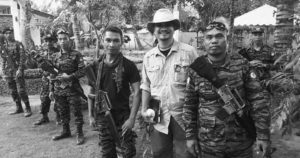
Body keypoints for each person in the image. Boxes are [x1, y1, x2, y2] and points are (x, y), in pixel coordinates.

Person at [184, 20, 271, 158]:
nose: (214, 41)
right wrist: (190, 136)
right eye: (209, 37)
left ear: (227, 38)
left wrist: (263, 135)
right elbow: (189, 106)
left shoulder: (243, 65)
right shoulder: (196, 69)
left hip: (241, 144)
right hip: (208, 145)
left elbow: (258, 102)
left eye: (219, 36)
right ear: (204, 41)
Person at [65, 26, 141, 157]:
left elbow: (137, 92)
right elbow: (91, 93)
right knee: (107, 153)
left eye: (116, 40)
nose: (112, 44)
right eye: (108, 40)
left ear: (121, 42)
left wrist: (132, 119)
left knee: (128, 152)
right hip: (103, 116)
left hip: (123, 117)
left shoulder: (129, 66)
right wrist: (90, 115)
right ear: (102, 41)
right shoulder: (95, 66)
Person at [140, 8, 198, 158]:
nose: (163, 28)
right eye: (159, 25)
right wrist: (144, 108)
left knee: (185, 154)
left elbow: (199, 83)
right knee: (160, 153)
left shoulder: (189, 52)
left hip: (183, 115)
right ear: (153, 30)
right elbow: (146, 85)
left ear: (174, 28)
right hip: (158, 114)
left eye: (168, 24)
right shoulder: (148, 57)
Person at [50, 29, 85, 145]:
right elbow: (52, 73)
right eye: (60, 39)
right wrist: (51, 89)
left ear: (69, 40)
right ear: (57, 41)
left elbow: (83, 71)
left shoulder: (76, 54)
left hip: (73, 89)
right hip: (59, 90)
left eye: (65, 38)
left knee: (77, 111)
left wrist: (69, 77)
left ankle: (80, 133)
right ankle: (66, 131)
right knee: (62, 111)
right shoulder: (54, 56)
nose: (63, 41)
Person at [0, 27, 32, 117]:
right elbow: (3, 59)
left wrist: (20, 69)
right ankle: (19, 108)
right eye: (6, 33)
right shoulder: (3, 46)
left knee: (21, 91)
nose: (8, 35)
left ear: (13, 33)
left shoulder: (18, 44)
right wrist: (3, 71)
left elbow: (22, 57)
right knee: (13, 91)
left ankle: (28, 108)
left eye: (10, 33)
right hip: (8, 72)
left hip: (17, 70)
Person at [34, 34, 61, 125]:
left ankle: (58, 117)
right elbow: (39, 66)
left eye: (50, 40)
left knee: (57, 98)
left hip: (56, 79)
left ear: (54, 41)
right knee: (44, 98)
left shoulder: (58, 52)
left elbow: (60, 67)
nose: (48, 43)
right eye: (46, 41)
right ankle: (44, 117)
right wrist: (44, 72)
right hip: (46, 80)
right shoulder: (42, 53)